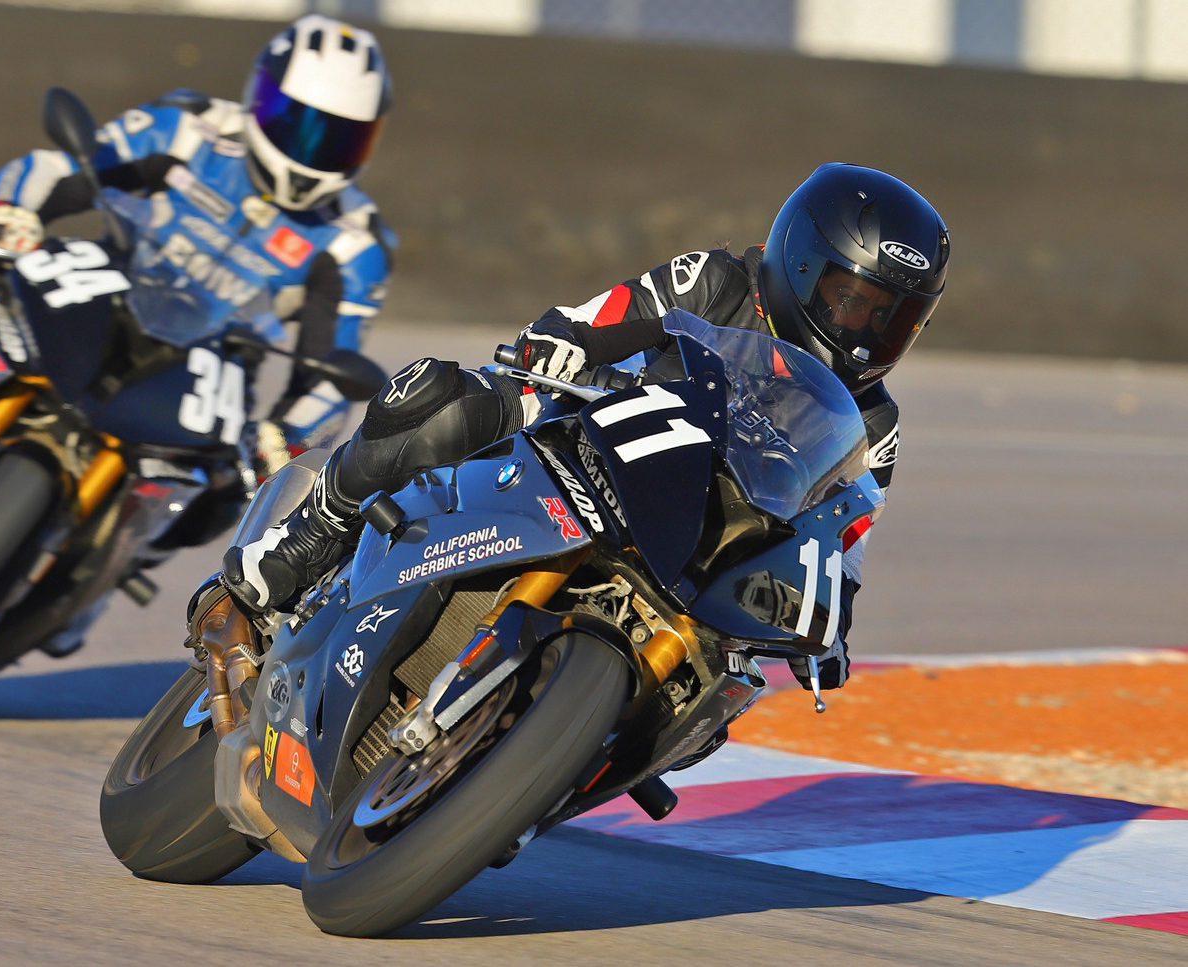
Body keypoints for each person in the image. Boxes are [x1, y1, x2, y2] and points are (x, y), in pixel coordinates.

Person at [220, 162, 950, 693]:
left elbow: (843, 550)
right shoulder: (718, 280)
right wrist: (556, 344)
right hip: (593, 442)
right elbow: (595, 320)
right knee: (444, 400)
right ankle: (307, 537)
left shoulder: (873, 423)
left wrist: (831, 630)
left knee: (727, 686)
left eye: (896, 318)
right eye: (854, 302)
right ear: (800, 262)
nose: (868, 333)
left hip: (705, 543)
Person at [0, 13, 395, 506]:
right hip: (103, 289)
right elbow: (60, 169)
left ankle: (110, 565)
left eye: (339, 138)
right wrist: (13, 213)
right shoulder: (191, 128)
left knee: (220, 497)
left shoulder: (356, 242)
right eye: (297, 123)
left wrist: (288, 439)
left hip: (212, 369)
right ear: (258, 96)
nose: (311, 151)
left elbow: (332, 370)